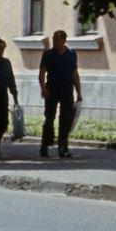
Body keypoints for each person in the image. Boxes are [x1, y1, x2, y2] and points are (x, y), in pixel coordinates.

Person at [38, 29, 82, 158]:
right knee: (49, 118)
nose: (54, 41)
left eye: (57, 39)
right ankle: (45, 145)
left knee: (65, 120)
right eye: (53, 39)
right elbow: (42, 73)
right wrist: (43, 88)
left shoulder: (71, 54)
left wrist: (79, 91)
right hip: (52, 90)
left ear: (64, 40)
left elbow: (75, 73)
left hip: (67, 90)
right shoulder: (48, 54)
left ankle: (63, 147)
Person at [0, 37, 21, 156]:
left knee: (4, 123)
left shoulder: (7, 62)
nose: (0, 51)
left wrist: (15, 95)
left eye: (2, 49)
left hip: (3, 93)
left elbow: (11, 79)